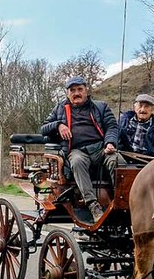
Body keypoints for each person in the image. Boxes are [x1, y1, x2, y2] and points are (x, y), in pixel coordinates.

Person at [39, 76, 119, 223]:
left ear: (86, 91)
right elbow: (44, 129)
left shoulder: (101, 107)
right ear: (67, 93)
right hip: (77, 150)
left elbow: (112, 127)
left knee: (118, 161)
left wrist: (110, 143)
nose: (76, 93)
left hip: (101, 149)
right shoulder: (59, 109)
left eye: (80, 89)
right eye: (72, 90)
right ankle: (93, 205)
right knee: (77, 162)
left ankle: (120, 202)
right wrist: (58, 125)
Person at [116, 93, 154, 158]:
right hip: (123, 159)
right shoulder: (123, 121)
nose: (142, 110)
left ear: (152, 110)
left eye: (146, 106)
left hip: (147, 163)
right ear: (135, 107)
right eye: (140, 106)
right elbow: (114, 139)